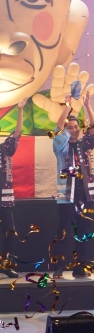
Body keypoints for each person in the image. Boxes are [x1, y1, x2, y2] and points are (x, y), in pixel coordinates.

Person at [51, 88, 94, 278]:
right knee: (64, 230)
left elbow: (93, 127)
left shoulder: (83, 144)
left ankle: (81, 267)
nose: (74, 130)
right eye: (70, 127)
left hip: (84, 193)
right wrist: (68, 106)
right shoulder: (60, 145)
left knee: (84, 230)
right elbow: (58, 126)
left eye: (76, 127)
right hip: (66, 194)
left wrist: (88, 105)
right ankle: (59, 266)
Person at [0, 98, 26, 278]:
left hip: (5, 200)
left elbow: (17, 133)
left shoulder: (5, 149)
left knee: (9, 232)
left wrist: (20, 110)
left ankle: (5, 265)